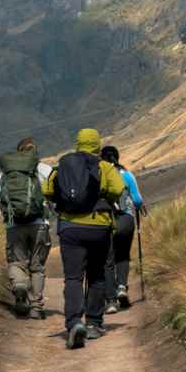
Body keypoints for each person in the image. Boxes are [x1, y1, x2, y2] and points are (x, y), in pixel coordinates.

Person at [43, 128, 125, 349]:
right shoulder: (104, 167)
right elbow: (118, 188)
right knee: (97, 276)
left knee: (73, 278)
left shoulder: (63, 166)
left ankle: (74, 322)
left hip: (70, 228)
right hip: (99, 228)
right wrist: (103, 194)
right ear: (97, 145)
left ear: (78, 143)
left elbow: (47, 190)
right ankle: (94, 324)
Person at [0, 136, 53, 320]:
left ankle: (21, 286)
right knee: (37, 267)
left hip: (15, 226)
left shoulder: (7, 173)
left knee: (16, 262)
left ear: (19, 152)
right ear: (34, 151)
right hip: (40, 224)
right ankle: (37, 307)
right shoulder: (44, 169)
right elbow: (56, 193)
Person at [100, 145, 146, 314]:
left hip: (106, 221)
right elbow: (138, 200)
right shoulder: (127, 174)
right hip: (126, 220)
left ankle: (110, 300)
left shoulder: (101, 175)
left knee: (107, 259)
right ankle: (121, 287)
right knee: (123, 255)